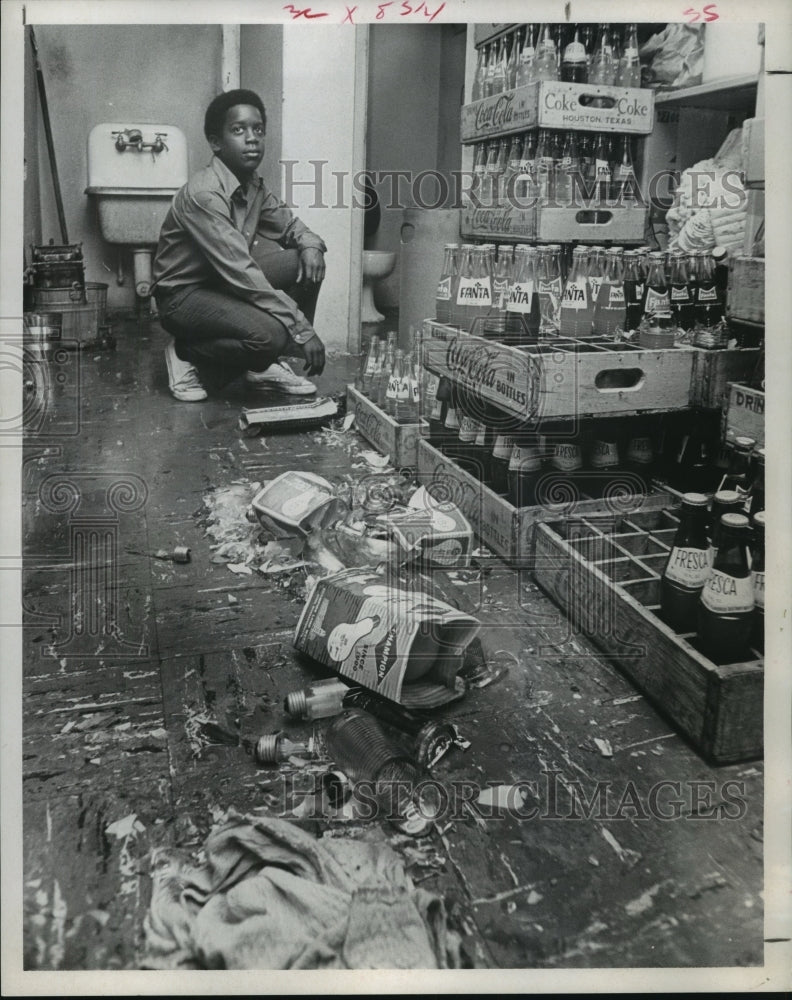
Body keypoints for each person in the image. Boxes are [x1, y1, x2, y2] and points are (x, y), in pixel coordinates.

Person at [152, 89, 327, 401]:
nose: (252, 139)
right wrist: (302, 329)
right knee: (270, 336)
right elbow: (241, 272)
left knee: (303, 261)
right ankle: (185, 352)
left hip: (221, 283)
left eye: (258, 129)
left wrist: (311, 245)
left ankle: (260, 367)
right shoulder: (205, 193)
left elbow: (290, 226)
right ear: (216, 142)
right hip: (183, 297)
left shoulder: (252, 185)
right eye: (238, 130)